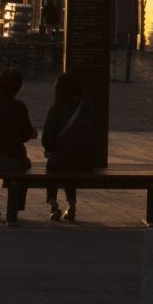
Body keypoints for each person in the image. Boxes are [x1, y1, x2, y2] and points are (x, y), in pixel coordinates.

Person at [0, 68, 36, 224]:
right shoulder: (19, 106)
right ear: (18, 87)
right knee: (22, 164)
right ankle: (15, 206)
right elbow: (25, 134)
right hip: (10, 157)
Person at [41, 72, 94, 221]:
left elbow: (46, 138)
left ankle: (53, 204)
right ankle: (71, 204)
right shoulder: (87, 106)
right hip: (85, 162)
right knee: (71, 160)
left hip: (60, 161)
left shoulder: (57, 108)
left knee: (55, 166)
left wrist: (50, 150)